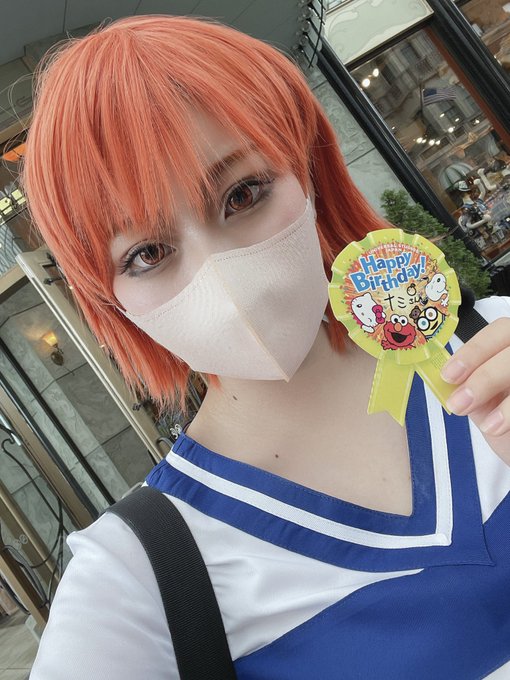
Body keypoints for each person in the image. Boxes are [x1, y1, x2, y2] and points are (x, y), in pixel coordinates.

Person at [21, 14, 510, 680]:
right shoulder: (140, 580)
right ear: (109, 298)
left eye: (243, 193)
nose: (221, 274)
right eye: (148, 253)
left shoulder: (492, 339)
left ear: (307, 168)